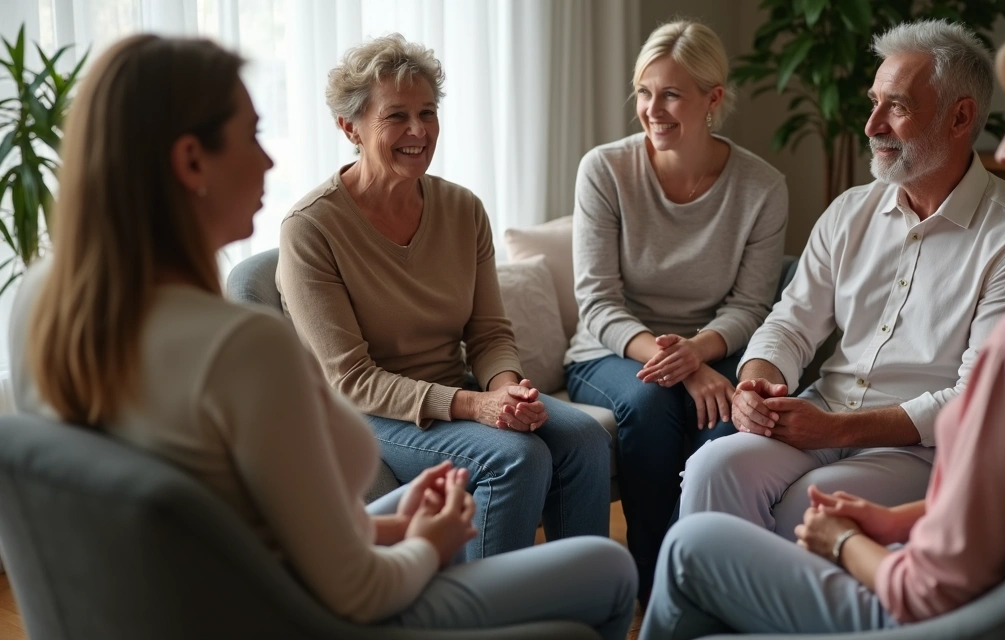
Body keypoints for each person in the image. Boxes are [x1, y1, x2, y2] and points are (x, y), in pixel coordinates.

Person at [8, 35, 636, 638]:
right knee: (609, 567)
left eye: (428, 113)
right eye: (252, 135)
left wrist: (495, 399)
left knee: (576, 437)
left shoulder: (40, 306)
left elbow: (262, 535)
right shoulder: (247, 342)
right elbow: (354, 586)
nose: (270, 158)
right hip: (308, 615)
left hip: (223, 599)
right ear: (191, 161)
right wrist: (427, 543)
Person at [641, 13, 1005, 638]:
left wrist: (843, 540)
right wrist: (760, 381)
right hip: (1002, 579)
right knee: (713, 470)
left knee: (694, 546)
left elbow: (930, 584)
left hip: (940, 604)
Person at [678, 19, 1005, 539]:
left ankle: (772, 616)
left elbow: (977, 398)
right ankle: (715, 617)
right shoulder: (849, 212)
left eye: (897, 106)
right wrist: (755, 384)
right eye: (873, 102)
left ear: (960, 117)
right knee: (710, 467)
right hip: (821, 413)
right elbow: (790, 323)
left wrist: (835, 430)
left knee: (806, 511)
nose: (871, 124)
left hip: (921, 450)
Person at [276, 34, 612, 560]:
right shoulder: (310, 229)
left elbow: (489, 333)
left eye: (427, 112)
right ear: (350, 127)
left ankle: (582, 604)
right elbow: (351, 380)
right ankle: (488, 617)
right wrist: (477, 405)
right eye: (396, 117)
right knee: (516, 458)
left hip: (456, 391)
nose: (418, 131)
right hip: (367, 413)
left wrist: (508, 392)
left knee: (585, 439)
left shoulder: (463, 209)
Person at [562, 19, 789, 596]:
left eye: (670, 94)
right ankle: (644, 583)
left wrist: (697, 353)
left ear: (713, 99)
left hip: (716, 350)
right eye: (643, 92)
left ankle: (689, 579)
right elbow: (598, 302)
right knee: (651, 398)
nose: (652, 109)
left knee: (733, 424)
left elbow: (750, 304)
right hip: (612, 352)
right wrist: (679, 365)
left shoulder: (762, 187)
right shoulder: (606, 170)